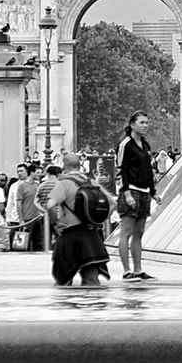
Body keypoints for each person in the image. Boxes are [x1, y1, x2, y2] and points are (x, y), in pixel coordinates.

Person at [47, 153, 114, 286]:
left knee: (63, 282)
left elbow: (50, 205)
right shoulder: (91, 182)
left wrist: (55, 223)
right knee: (92, 282)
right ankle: (92, 305)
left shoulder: (64, 184)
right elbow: (112, 204)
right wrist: (97, 221)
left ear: (64, 167)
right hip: (91, 238)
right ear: (79, 165)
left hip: (69, 237)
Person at [116, 113, 162, 281]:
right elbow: (121, 170)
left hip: (144, 192)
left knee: (139, 232)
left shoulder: (145, 145)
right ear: (132, 125)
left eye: (147, 122)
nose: (145, 125)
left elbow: (148, 170)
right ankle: (126, 270)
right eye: (142, 122)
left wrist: (153, 192)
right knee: (126, 232)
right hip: (131, 190)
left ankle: (138, 269)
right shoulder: (125, 145)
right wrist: (126, 193)